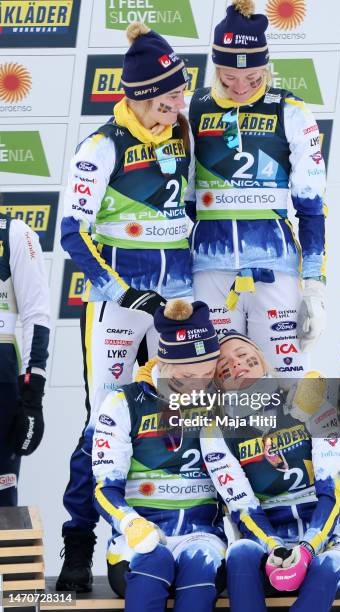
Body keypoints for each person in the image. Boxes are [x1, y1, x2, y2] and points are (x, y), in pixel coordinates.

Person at [57, 22, 193, 591]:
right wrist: (120, 290)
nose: (179, 104)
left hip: (179, 306)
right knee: (105, 420)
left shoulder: (185, 135)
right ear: (139, 96)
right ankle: (78, 544)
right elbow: (71, 233)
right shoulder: (101, 146)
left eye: (182, 92)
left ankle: (183, 534)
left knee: (187, 412)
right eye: (168, 97)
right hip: (120, 306)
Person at [186, 0, 327, 375]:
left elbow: (311, 206)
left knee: (291, 383)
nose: (240, 87)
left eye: (253, 77)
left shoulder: (291, 110)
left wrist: (314, 285)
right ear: (215, 67)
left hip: (275, 268)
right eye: (228, 76)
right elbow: (180, 198)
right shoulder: (193, 108)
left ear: (266, 67)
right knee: (213, 384)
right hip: (209, 271)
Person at [200, 331, 340, 612]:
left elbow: (332, 493)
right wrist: (275, 547)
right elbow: (243, 509)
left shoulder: (310, 404)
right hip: (269, 546)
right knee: (239, 553)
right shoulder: (216, 432)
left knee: (327, 566)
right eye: (223, 365)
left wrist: (308, 548)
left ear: (261, 359)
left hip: (327, 540)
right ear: (218, 384)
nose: (234, 363)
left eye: (241, 353)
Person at [92, 299, 225, 612]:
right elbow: (103, 488)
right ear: (167, 366)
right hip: (139, 539)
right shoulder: (123, 403)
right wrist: (131, 524)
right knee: (153, 559)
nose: (201, 383)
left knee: (200, 566)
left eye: (209, 372)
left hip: (202, 538)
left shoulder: (222, 402)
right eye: (190, 376)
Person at [0, 211, 50, 506]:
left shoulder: (15, 233)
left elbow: (37, 316)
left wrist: (32, 397)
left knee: (2, 504)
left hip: (2, 378)